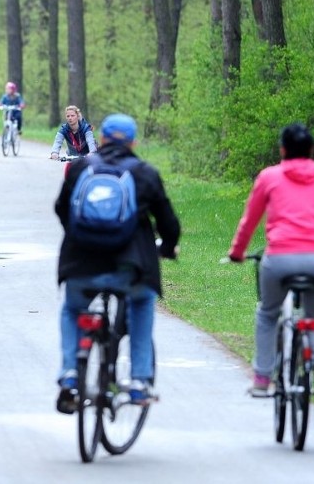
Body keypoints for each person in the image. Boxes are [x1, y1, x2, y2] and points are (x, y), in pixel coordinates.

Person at [54, 113, 180, 413]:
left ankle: (70, 374)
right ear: (134, 142)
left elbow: (61, 208)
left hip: (81, 263)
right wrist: (169, 247)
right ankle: (138, 382)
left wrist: (78, 237)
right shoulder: (145, 173)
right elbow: (168, 223)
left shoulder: (81, 167)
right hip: (129, 267)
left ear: (104, 138)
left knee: (73, 308)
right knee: (140, 304)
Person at [228, 124, 314, 411]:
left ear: (282, 150)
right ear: (312, 149)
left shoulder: (270, 176)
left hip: (280, 258)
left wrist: (237, 252)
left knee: (268, 313)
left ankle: (261, 378)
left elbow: (250, 220)